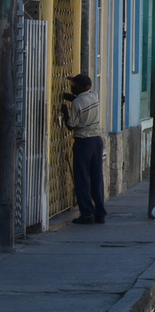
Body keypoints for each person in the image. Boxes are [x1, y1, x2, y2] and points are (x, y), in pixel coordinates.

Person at [63, 73, 105, 224]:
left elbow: (71, 125)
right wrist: (72, 98)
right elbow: (83, 102)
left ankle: (87, 214)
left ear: (81, 88)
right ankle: (100, 213)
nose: (72, 88)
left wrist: (64, 112)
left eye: (74, 86)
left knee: (82, 179)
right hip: (97, 141)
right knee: (96, 177)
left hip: (83, 142)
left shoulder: (76, 104)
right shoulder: (94, 95)